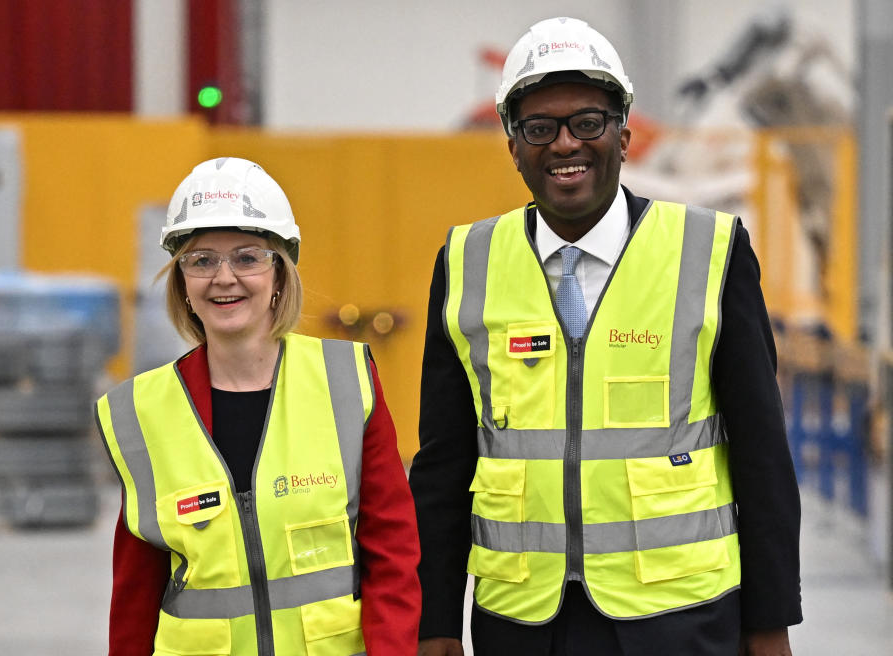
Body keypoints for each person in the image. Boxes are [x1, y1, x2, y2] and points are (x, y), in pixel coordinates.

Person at [409, 18, 801, 656]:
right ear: (512, 144)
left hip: (680, 620)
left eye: (587, 122)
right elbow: (445, 464)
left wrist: (769, 625)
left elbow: (761, 455)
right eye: (540, 128)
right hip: (523, 624)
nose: (565, 144)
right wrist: (435, 625)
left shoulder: (710, 252)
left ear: (624, 131)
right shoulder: (466, 262)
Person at [95, 157, 420, 655]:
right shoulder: (141, 412)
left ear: (280, 274)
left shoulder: (346, 382)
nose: (224, 277)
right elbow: (135, 596)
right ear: (181, 280)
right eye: (201, 260)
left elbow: (393, 558)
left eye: (247, 257)